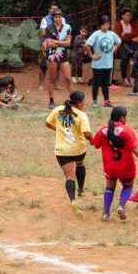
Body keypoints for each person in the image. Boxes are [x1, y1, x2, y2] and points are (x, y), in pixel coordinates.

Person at [91, 106, 138, 221]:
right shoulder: (127, 130)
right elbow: (135, 149)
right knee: (128, 186)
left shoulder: (103, 130)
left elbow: (95, 144)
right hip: (126, 166)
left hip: (110, 166)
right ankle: (121, 206)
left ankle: (106, 213)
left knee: (109, 187)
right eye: (126, 117)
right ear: (122, 118)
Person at [44, 90, 91, 219]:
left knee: (69, 177)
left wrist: (58, 130)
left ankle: (73, 200)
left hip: (62, 151)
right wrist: (93, 140)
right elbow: (87, 134)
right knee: (80, 164)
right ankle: (81, 190)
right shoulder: (81, 115)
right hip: (78, 149)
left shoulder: (58, 110)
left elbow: (47, 124)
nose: (84, 104)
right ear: (79, 103)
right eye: (83, 102)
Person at [85, 16, 118, 106]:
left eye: (108, 24)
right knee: (96, 83)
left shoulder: (111, 34)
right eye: (105, 24)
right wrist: (92, 55)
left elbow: (118, 41)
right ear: (101, 25)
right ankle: (95, 101)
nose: (107, 26)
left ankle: (106, 101)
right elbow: (87, 45)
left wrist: (115, 47)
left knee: (105, 84)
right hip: (98, 64)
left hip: (108, 63)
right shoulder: (96, 34)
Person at [42, 10, 72, 107]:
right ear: (53, 18)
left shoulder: (67, 27)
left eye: (59, 17)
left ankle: (72, 98)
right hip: (52, 55)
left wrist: (56, 42)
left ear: (62, 18)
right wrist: (61, 42)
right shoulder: (49, 28)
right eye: (55, 17)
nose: (58, 18)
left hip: (63, 55)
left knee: (68, 78)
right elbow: (49, 43)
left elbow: (68, 43)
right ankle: (51, 100)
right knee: (52, 79)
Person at [37, 2, 60, 90]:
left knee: (58, 64)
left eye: (56, 8)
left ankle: (56, 84)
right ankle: (41, 84)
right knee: (43, 64)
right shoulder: (45, 19)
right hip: (47, 44)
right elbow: (43, 32)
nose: (54, 10)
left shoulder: (62, 19)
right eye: (52, 8)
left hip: (58, 44)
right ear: (49, 9)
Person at [117, 10, 138, 86]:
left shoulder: (133, 23)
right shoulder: (118, 24)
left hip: (133, 44)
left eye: (130, 15)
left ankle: (133, 77)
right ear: (122, 16)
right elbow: (118, 37)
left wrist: (126, 34)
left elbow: (137, 33)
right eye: (127, 15)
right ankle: (124, 78)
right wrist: (130, 36)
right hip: (121, 44)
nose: (129, 17)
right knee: (124, 58)